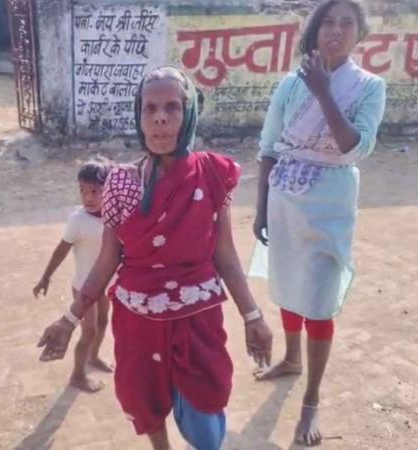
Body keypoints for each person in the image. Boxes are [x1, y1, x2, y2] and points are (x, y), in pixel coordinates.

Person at [37, 66, 273, 450]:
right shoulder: (121, 182)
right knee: (142, 398)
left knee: (206, 412)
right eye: (150, 108)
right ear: (139, 115)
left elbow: (225, 254)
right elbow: (108, 258)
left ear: (188, 113)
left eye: (172, 107)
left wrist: (253, 316)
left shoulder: (212, 174)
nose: (160, 118)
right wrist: (69, 319)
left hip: (197, 318)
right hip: (137, 318)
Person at [251, 0, 386, 446]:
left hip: (331, 205)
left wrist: (325, 92)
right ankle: (292, 359)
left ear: (359, 34)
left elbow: (354, 147)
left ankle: (311, 400)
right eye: (328, 21)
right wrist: (260, 208)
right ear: (315, 29)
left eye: (347, 23)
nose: (336, 30)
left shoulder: (369, 87)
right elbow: (269, 147)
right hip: (284, 200)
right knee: (289, 282)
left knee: (321, 300)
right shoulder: (290, 84)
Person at [33, 158, 115, 393]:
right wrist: (46, 277)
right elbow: (61, 249)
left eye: (95, 191)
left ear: (110, 190)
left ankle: (93, 357)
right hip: (83, 287)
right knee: (88, 331)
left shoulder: (114, 216)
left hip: (106, 284)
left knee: (103, 322)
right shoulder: (78, 220)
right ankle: (77, 375)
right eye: (82, 191)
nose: (88, 197)